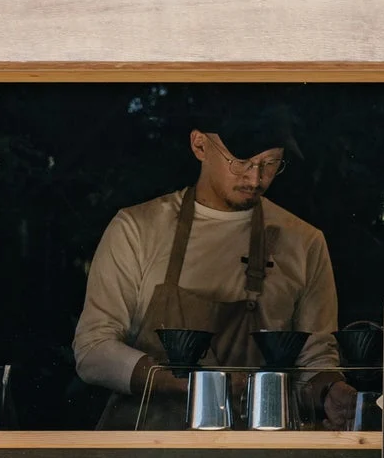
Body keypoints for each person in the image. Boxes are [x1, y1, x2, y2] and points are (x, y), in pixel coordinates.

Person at [73, 106, 358, 429]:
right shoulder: (138, 229)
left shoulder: (304, 241)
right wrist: (183, 384)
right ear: (199, 145)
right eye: (241, 162)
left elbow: (316, 360)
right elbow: (93, 350)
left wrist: (330, 393)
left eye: (270, 163)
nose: (255, 178)